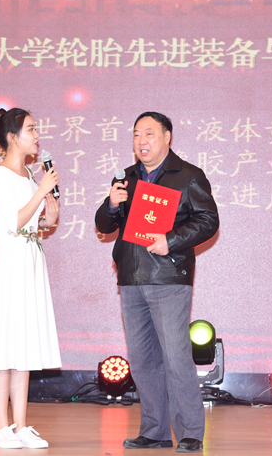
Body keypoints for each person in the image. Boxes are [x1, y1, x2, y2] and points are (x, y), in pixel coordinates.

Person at [94, 112, 219, 454]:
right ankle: (155, 431)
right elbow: (104, 225)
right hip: (131, 278)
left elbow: (209, 220)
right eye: (136, 134)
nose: (141, 141)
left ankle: (190, 431)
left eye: (149, 133)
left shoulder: (188, 175)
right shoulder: (126, 178)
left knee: (176, 357)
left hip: (168, 276)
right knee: (142, 360)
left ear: (167, 137)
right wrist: (111, 204)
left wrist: (171, 240)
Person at [0, 108, 61, 450]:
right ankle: (1, 427)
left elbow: (31, 222)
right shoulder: (0, 176)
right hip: (9, 262)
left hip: (30, 260)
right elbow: (11, 222)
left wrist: (48, 219)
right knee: (4, 344)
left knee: (23, 344)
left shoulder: (28, 175)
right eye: (31, 129)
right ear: (12, 137)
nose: (37, 135)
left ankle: (21, 425)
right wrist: (41, 192)